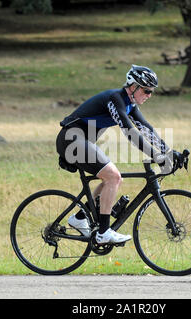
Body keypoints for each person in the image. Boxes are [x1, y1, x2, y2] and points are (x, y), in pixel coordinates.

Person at [56, 65, 182, 244]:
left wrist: (169, 152)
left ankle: (79, 217)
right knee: (113, 177)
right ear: (133, 87)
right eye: (146, 91)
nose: (149, 95)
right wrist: (156, 156)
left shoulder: (129, 104)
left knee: (114, 179)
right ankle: (103, 233)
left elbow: (146, 129)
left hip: (79, 141)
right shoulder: (115, 99)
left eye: (151, 92)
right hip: (71, 139)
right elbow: (130, 132)